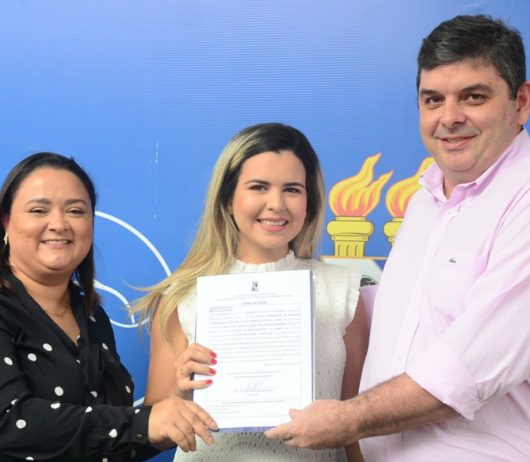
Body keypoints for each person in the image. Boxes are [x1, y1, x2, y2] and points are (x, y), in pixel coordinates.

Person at [265, 14, 530, 461]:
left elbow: (468, 369)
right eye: (433, 100)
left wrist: (347, 419)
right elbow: (398, 322)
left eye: (473, 97)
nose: (450, 118)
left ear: (521, 102)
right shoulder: (425, 200)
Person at [133, 122, 369, 461]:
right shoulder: (181, 296)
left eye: (292, 189)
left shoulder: (343, 291)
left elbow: (355, 427)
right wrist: (181, 394)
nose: (276, 204)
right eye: (259, 187)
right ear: (228, 199)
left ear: (309, 202)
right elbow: (154, 437)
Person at [0, 153, 218, 462]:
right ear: (6, 220)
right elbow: (9, 423)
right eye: (39, 210)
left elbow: (115, 443)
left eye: (76, 211)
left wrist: (177, 412)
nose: (59, 224)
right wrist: (143, 423)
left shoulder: (91, 315)